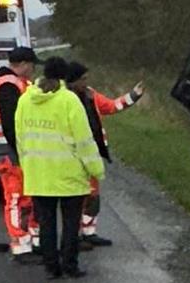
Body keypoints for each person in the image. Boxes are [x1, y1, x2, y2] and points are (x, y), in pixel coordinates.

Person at [15, 57, 102, 279]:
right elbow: (84, 140)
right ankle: (70, 265)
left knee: (46, 224)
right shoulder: (69, 101)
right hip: (68, 174)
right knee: (71, 224)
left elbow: (20, 139)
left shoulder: (26, 100)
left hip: (38, 174)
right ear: (64, 77)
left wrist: (27, 166)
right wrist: (96, 169)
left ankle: (51, 266)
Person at [57, 60, 144, 248]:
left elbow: (112, 106)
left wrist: (133, 96)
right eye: (83, 79)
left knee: (93, 196)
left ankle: (89, 231)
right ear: (72, 81)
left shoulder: (90, 95)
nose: (86, 83)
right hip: (71, 157)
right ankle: (75, 235)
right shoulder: (62, 99)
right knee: (75, 199)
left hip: (91, 153)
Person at [0, 46, 40, 262]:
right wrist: (21, 152)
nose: (33, 70)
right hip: (7, 151)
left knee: (24, 196)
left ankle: (27, 241)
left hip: (9, 150)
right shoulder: (8, 85)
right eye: (32, 65)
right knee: (16, 197)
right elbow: (11, 124)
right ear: (24, 64)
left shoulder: (12, 82)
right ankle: (20, 246)